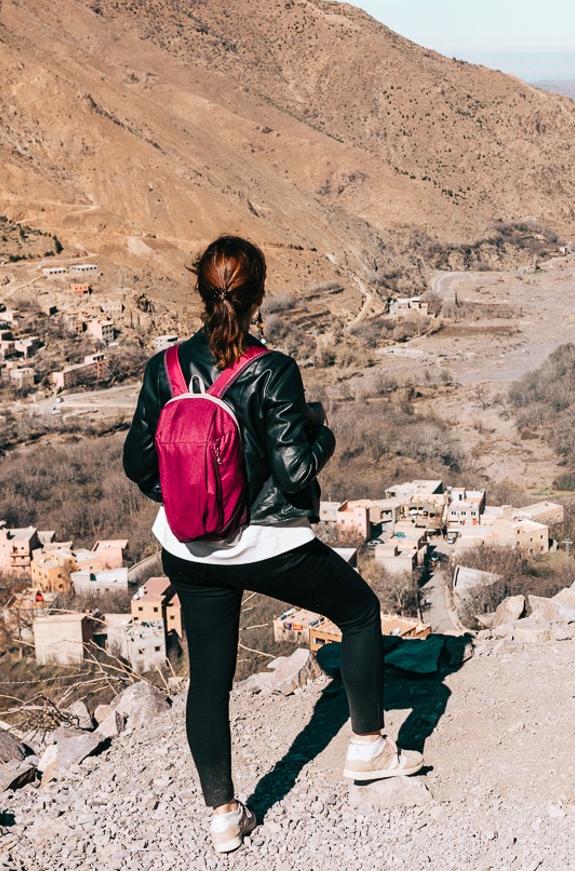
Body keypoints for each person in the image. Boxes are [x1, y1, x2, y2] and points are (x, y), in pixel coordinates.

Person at [123, 235, 423, 853]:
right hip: (265, 545)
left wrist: (193, 498)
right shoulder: (272, 369)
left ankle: (225, 817)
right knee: (359, 612)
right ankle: (367, 747)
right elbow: (294, 473)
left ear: (201, 293)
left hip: (187, 549)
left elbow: (138, 463)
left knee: (209, 680)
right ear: (258, 296)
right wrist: (323, 432)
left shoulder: (166, 368)